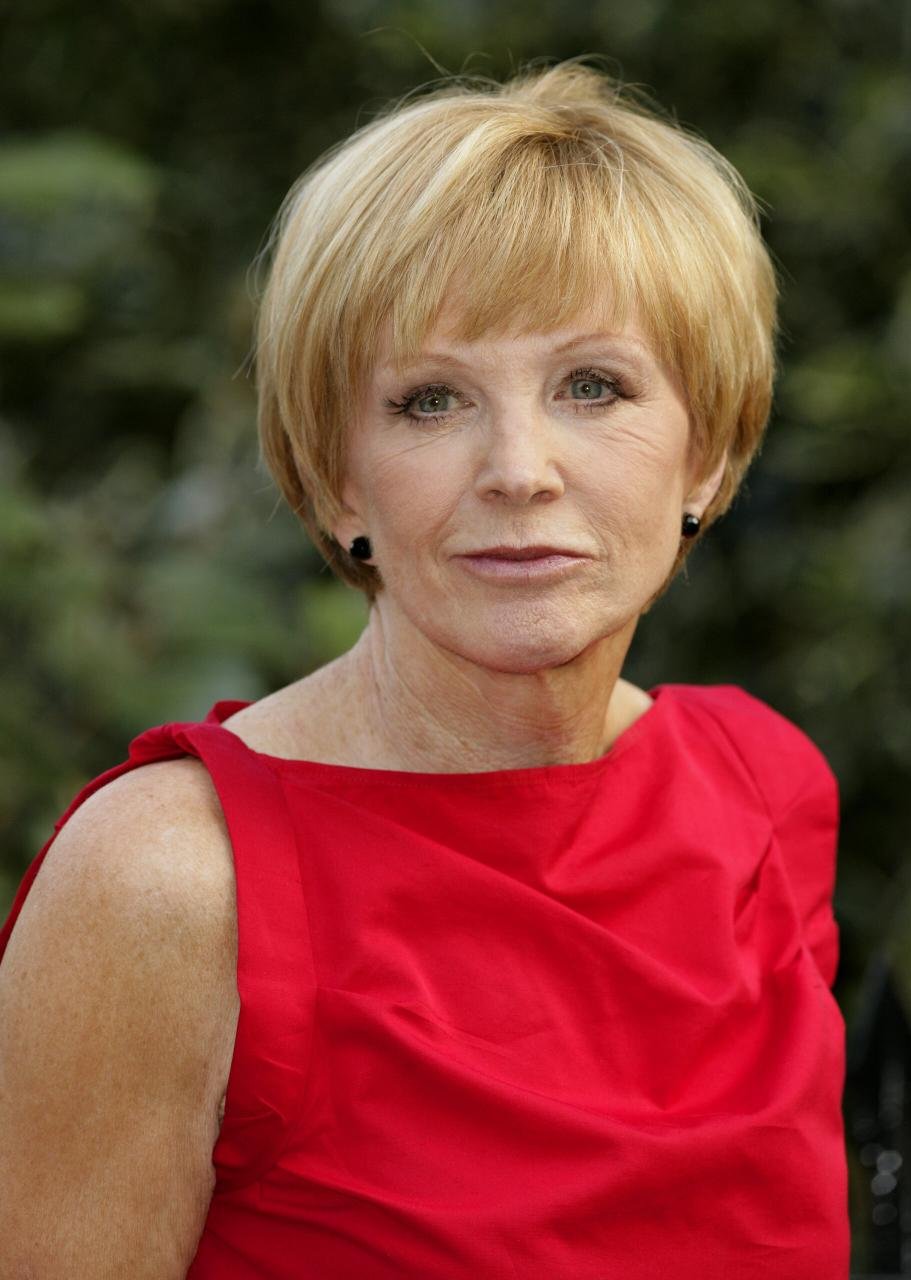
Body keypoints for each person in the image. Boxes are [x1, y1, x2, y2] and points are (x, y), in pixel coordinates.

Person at [0, 58, 849, 1279]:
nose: (520, 469)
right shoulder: (172, 884)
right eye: (431, 400)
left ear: (705, 451)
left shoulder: (761, 788)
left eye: (593, 385)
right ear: (336, 475)